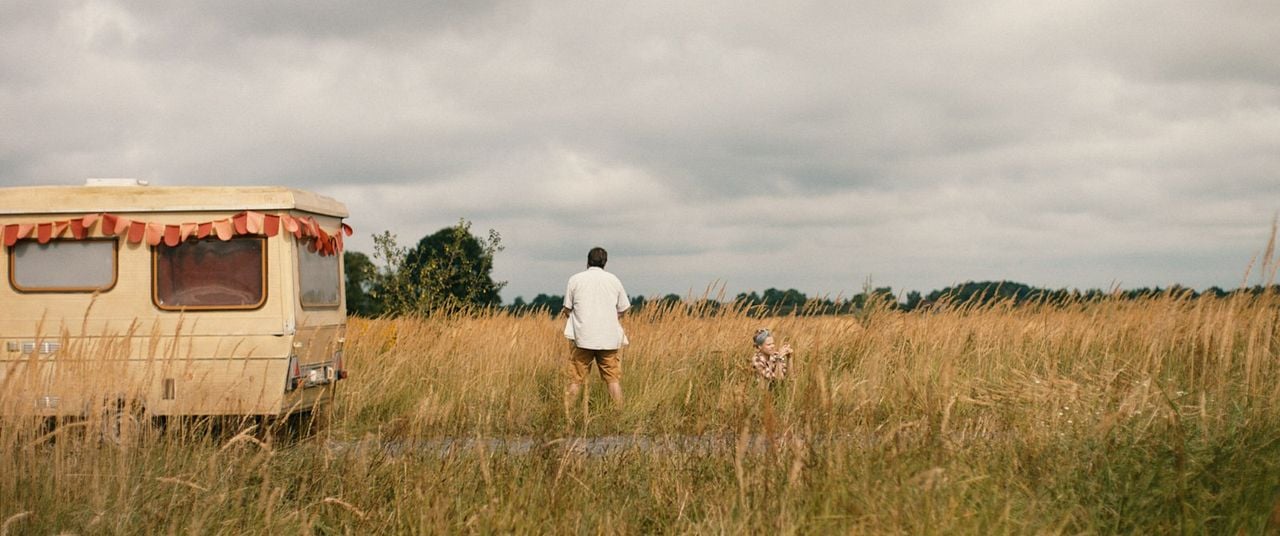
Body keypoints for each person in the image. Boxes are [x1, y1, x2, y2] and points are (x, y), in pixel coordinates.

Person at [561, 246, 630, 408]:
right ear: (605, 262)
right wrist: (611, 318)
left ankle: (567, 413)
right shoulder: (614, 280)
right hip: (608, 339)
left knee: (576, 379)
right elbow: (624, 308)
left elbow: (567, 309)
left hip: (583, 338)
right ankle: (620, 413)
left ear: (587, 261)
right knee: (612, 379)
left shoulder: (575, 280)